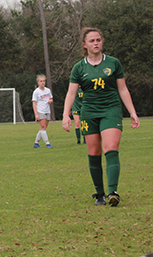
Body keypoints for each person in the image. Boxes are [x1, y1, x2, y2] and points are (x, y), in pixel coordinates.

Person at [62, 28, 140, 207]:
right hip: (89, 113)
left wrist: (132, 112)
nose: (96, 43)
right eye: (92, 41)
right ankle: (99, 194)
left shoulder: (113, 63)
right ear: (85, 45)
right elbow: (71, 93)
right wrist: (66, 114)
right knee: (94, 153)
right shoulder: (79, 67)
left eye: (98, 40)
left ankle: (113, 192)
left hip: (111, 110)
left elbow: (122, 89)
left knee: (111, 147)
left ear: (102, 42)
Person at [32, 74, 54, 149]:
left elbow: (51, 98)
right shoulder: (36, 92)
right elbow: (34, 103)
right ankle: (48, 143)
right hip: (40, 111)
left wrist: (50, 101)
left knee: (43, 128)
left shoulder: (48, 90)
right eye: (41, 81)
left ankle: (36, 143)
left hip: (47, 110)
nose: (42, 82)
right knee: (43, 127)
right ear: (38, 82)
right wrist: (36, 114)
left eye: (44, 81)